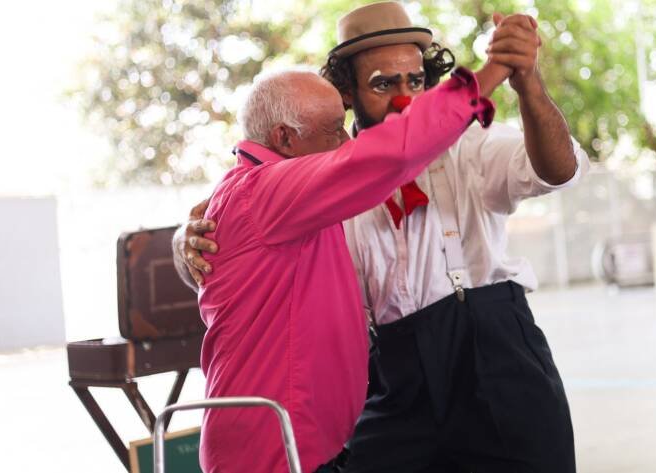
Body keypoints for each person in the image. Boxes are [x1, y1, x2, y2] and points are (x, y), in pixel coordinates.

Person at [177, 3, 589, 472]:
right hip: (392, 370)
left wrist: (528, 85)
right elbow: (246, 232)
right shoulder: (322, 175)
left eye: (416, 81)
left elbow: (558, 171)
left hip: (491, 350)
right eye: (383, 84)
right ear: (347, 91)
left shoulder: (468, 144)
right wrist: (183, 240)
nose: (405, 98)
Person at [194, 56, 510, 472]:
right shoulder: (264, 193)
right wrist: (488, 75)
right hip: (273, 449)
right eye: (332, 131)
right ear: (285, 138)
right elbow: (388, 156)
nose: (346, 141)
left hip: (299, 441)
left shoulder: (262, 194)